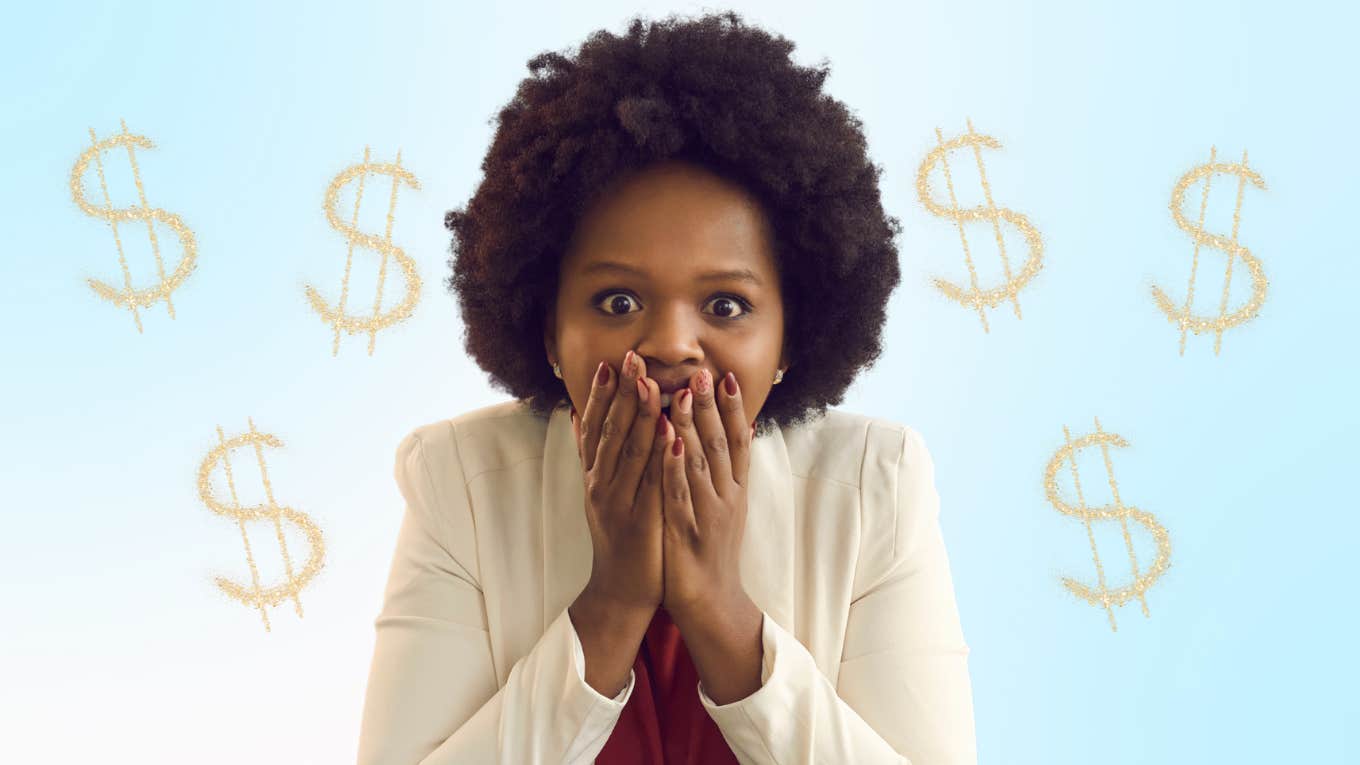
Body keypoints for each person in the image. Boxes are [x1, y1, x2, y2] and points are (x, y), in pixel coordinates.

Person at [357, 10, 976, 764]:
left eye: (726, 305)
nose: (673, 345)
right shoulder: (460, 481)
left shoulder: (876, 486)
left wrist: (720, 611)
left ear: (791, 335)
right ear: (550, 331)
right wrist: (612, 603)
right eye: (618, 301)